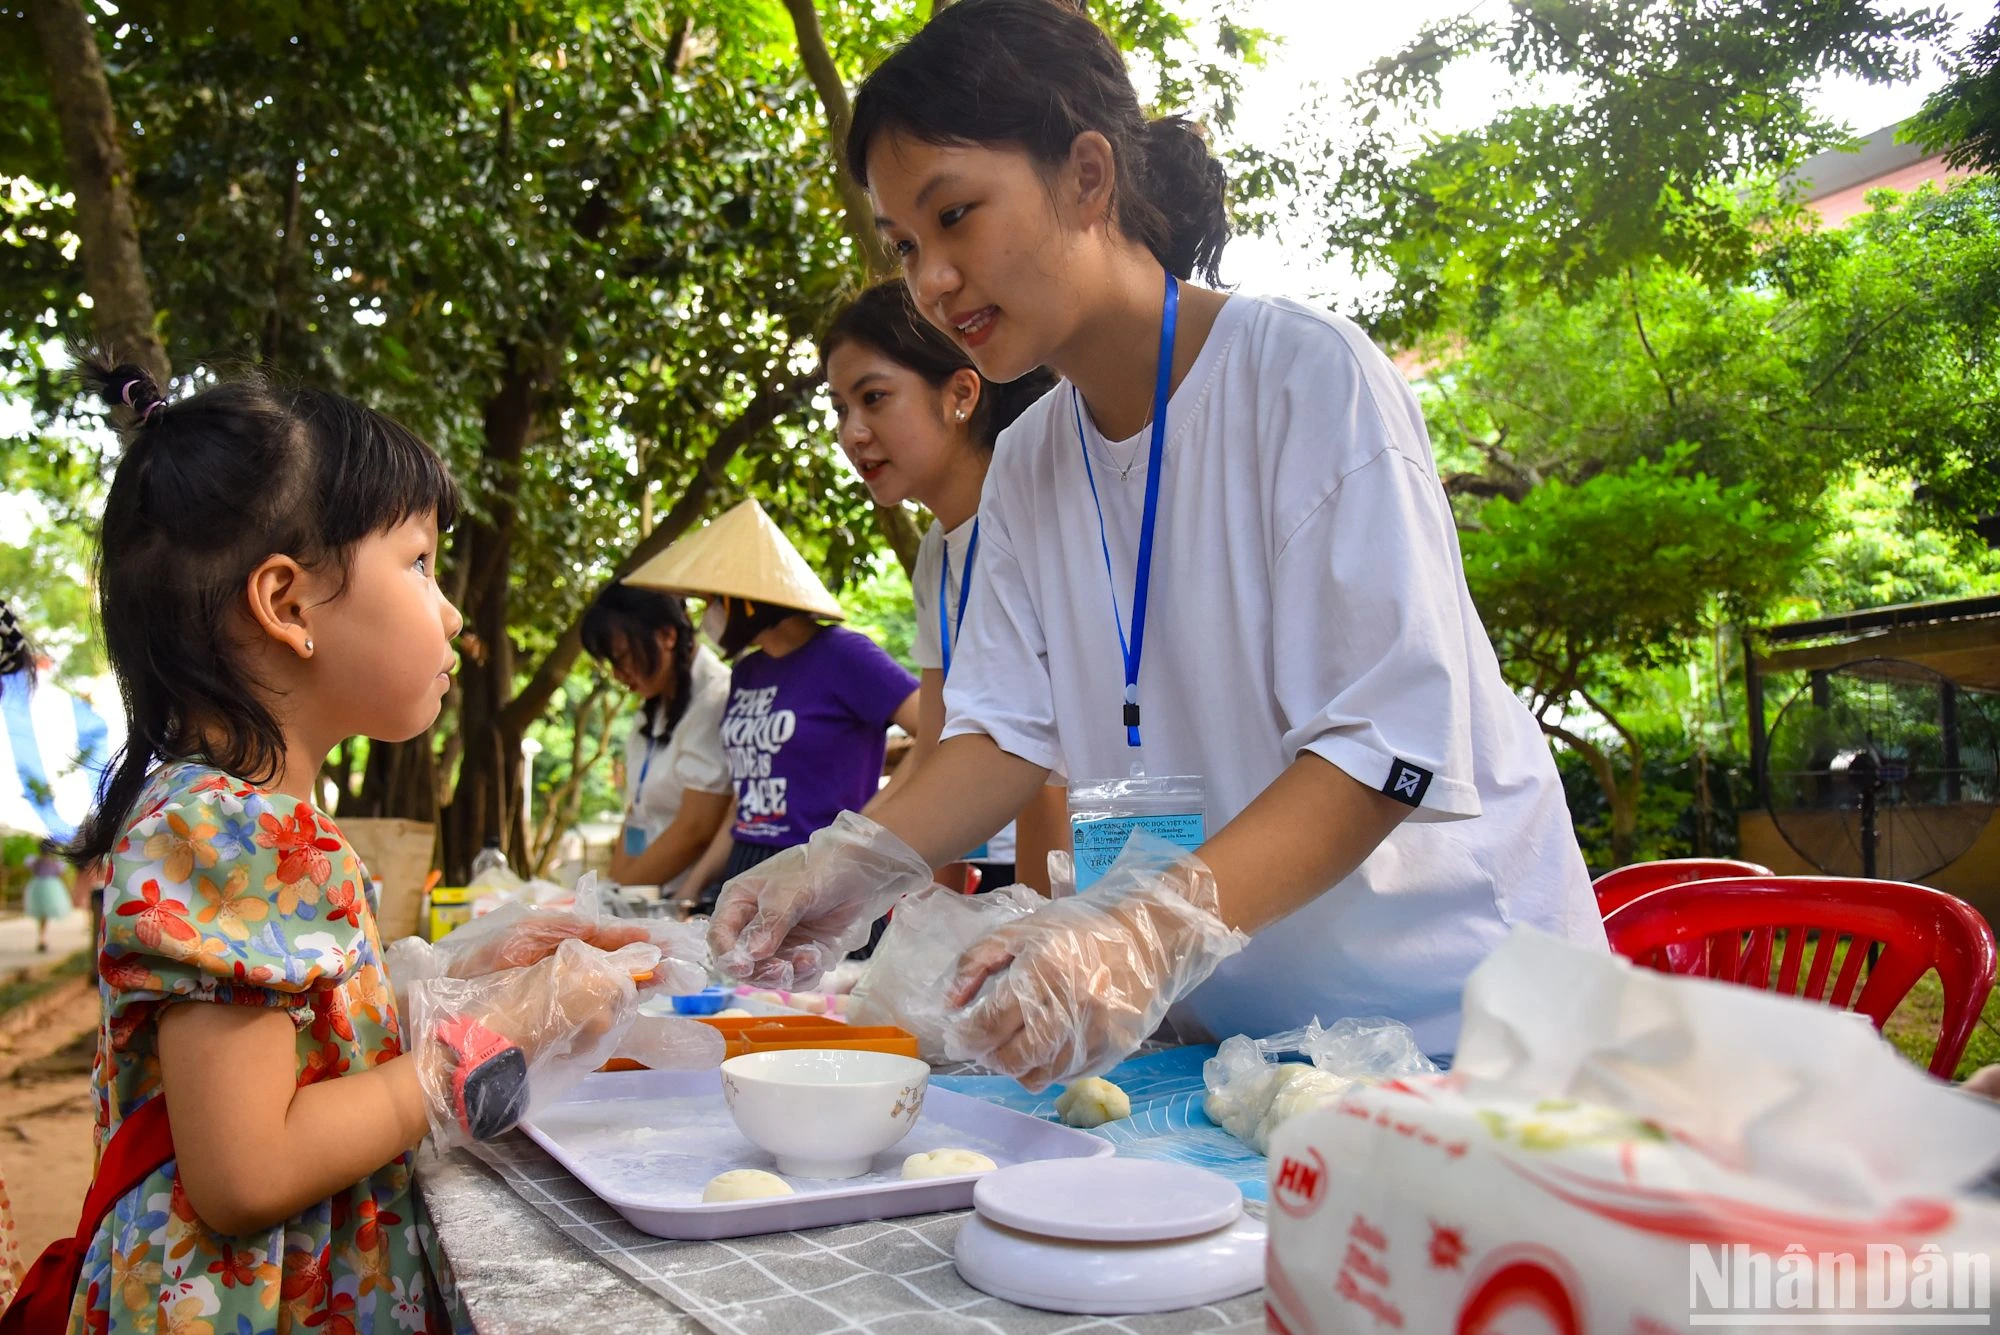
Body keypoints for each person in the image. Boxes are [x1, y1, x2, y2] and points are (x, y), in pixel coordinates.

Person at [709, 0, 1606, 1091]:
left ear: (1087, 178)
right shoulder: (1035, 460)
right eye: (905, 243)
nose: (930, 279)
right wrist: (847, 865)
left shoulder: (1304, 380)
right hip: (1244, 1058)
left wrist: (1140, 931)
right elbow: (998, 735)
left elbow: (1383, 751)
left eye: (953, 216)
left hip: (1464, 1035)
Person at [56, 360, 667, 1334]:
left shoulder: (238, 813)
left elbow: (298, 1046)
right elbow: (247, 1171)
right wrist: (496, 1034)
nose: (453, 613)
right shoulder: (228, 828)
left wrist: (467, 974)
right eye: (419, 563)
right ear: (288, 604)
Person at [821, 281, 1066, 893]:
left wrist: (1038, 934)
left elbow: (1047, 767)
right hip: (982, 865)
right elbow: (935, 745)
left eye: (873, 398)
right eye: (839, 409)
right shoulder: (937, 551)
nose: (852, 433)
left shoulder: (1045, 516)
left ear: (961, 392)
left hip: (1071, 875)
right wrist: (825, 867)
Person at [627, 499, 921, 916]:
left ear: (748, 600)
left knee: (821, 984)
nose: (705, 614)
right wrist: (689, 893)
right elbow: (745, 799)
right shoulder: (747, 672)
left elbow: (937, 729)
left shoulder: (844, 655)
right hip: (746, 869)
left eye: (713, 598)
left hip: (823, 874)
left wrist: (861, 831)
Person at [581, 585, 733, 908]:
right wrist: (611, 890)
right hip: (649, 898)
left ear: (667, 635)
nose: (619, 675)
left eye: (622, 658)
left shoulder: (717, 697)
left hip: (693, 902)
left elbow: (696, 829)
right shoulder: (652, 706)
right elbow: (638, 815)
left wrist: (618, 896)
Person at [24, 838, 73, 952]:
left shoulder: (35, 861)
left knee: (42, 915)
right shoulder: (56, 863)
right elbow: (61, 874)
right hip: (51, 888)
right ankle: (42, 939)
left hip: (38, 887)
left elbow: (32, 871)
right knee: (44, 915)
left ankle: (42, 938)